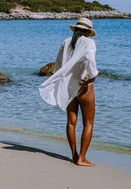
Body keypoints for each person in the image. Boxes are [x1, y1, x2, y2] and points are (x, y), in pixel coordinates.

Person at [39, 17, 98, 166]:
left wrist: (60, 80)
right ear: (88, 31)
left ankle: (74, 155)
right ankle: (82, 158)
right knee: (88, 123)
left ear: (76, 29)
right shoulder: (89, 42)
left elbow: (58, 63)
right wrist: (92, 77)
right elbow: (90, 60)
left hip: (68, 86)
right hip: (83, 86)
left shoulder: (66, 42)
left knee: (71, 122)